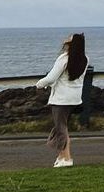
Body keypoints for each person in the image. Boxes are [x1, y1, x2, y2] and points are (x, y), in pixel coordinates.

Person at [36, 33, 89, 167]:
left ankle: (67, 158)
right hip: (75, 98)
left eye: (69, 39)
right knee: (62, 127)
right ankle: (61, 156)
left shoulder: (64, 59)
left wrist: (39, 84)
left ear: (71, 44)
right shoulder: (85, 59)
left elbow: (51, 78)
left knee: (61, 129)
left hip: (61, 99)